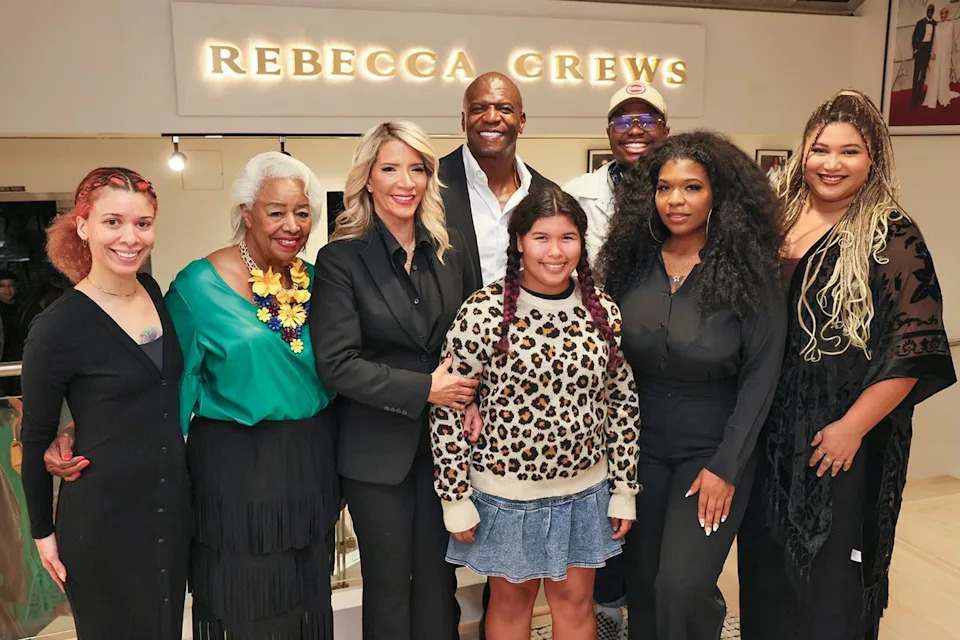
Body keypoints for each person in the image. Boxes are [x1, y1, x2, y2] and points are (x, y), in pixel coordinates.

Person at [737, 89, 957, 640]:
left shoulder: (892, 235)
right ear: (802, 153)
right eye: (820, 149)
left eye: (849, 151)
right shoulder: (775, 218)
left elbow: (914, 347)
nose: (831, 164)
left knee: (831, 579)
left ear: (873, 160)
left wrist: (851, 428)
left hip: (841, 437)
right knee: (766, 571)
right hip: (770, 429)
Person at [597, 131, 786, 640]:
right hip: (636, 452)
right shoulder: (629, 266)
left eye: (691, 187)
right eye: (664, 188)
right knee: (643, 584)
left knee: (683, 585)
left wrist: (725, 467)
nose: (675, 200)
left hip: (712, 451)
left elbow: (761, 377)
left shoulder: (751, 275)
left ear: (718, 195)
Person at [432, 185, 640, 640]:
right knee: (510, 606)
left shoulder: (602, 311)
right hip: (506, 495)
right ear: (519, 242)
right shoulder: (483, 312)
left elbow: (621, 402)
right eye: (541, 238)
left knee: (575, 603)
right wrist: (455, 497)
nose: (555, 251)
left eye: (567, 238)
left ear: (583, 244)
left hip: (586, 491)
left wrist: (624, 488)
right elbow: (448, 408)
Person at [311, 121, 478, 640]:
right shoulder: (340, 259)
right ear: (367, 180)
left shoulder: (449, 255)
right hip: (375, 456)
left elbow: (472, 341)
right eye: (390, 169)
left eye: (417, 168)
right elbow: (336, 364)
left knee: (438, 582)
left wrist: (475, 400)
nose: (405, 181)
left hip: (447, 449)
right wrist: (424, 388)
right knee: (388, 586)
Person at [168, 152, 339, 638]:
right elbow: (169, 389)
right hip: (237, 470)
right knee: (249, 602)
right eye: (276, 211)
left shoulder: (316, 281)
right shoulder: (197, 286)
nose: (292, 225)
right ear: (247, 212)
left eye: (302, 212)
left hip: (311, 463)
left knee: (307, 602)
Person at [20, 167, 190, 639]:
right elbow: (34, 436)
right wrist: (42, 535)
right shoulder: (58, 327)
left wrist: (71, 429)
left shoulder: (155, 294)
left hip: (168, 509)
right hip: (102, 520)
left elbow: (152, 397)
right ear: (83, 226)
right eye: (113, 222)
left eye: (142, 223)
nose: (130, 238)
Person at [439, 71, 556, 292]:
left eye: (504, 109)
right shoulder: (429, 184)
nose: (491, 117)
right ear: (464, 121)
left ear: (521, 122)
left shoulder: (546, 194)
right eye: (478, 109)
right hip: (449, 326)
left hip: (528, 325)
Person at [564, 80, 670, 267]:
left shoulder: (689, 195)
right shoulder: (576, 195)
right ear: (609, 133)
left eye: (648, 122)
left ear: (665, 132)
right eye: (622, 123)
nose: (635, 130)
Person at [922, 7, 959, 109]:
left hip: (945, 55)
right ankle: (934, 94)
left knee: (943, 73)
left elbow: (951, 41)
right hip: (937, 54)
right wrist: (932, 52)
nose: (943, 15)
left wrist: (949, 53)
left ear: (947, 14)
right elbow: (934, 40)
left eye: (945, 14)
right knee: (935, 74)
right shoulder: (937, 26)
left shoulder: (951, 25)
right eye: (941, 13)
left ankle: (942, 94)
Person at [912, 4, 938, 107]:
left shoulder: (935, 24)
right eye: (929, 10)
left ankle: (919, 95)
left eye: (932, 10)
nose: (930, 12)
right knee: (916, 74)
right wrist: (915, 50)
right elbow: (914, 37)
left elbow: (935, 39)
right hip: (920, 50)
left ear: (933, 11)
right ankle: (914, 98)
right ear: (926, 11)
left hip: (927, 50)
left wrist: (932, 51)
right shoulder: (920, 23)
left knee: (923, 75)